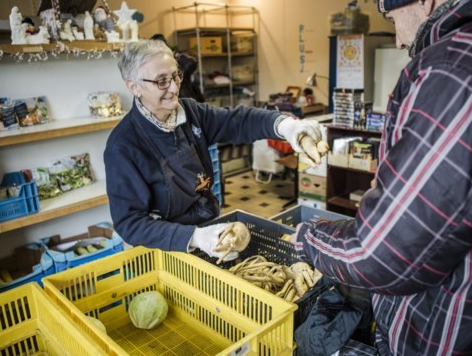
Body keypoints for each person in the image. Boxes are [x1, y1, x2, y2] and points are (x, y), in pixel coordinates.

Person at [290, 0, 472, 354]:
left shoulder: (462, 69)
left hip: (447, 336)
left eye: (391, 19)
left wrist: (309, 238)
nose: (400, 41)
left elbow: (380, 254)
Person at [104, 39, 325, 261]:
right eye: (161, 81)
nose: (173, 88)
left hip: (207, 228)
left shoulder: (190, 112)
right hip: (164, 249)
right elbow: (130, 223)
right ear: (134, 87)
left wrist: (286, 126)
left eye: (175, 76)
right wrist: (196, 237)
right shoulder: (123, 146)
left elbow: (238, 121)